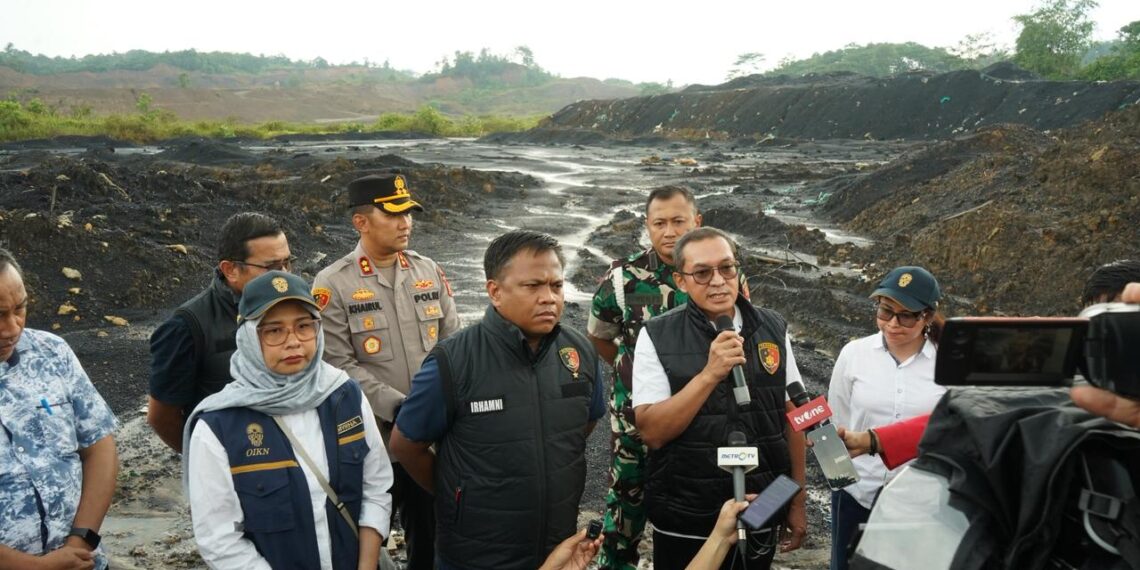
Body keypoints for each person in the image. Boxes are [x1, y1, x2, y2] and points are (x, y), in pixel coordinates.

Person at [389, 230, 606, 570]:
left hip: (556, 551)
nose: (548, 297)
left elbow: (584, 424)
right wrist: (458, 496)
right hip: (475, 555)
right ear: (495, 292)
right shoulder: (454, 361)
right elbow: (406, 444)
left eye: (556, 285)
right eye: (532, 286)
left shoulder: (580, 352)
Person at [184, 271, 393, 570]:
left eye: (304, 326)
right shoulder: (219, 425)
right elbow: (219, 538)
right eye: (274, 331)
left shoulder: (344, 395)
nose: (293, 342)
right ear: (249, 338)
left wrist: (366, 565)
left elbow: (376, 487)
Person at [632, 227, 807, 570]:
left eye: (726, 268)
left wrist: (797, 498)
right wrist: (710, 374)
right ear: (681, 281)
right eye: (702, 272)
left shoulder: (773, 327)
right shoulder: (657, 335)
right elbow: (652, 431)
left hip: (764, 505)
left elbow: (794, 416)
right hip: (687, 513)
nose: (717, 281)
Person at [311, 173, 460, 569]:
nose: (405, 222)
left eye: (408, 213)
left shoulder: (428, 271)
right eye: (393, 213)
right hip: (370, 440)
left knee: (430, 538)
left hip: (428, 441)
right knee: (360, 542)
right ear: (360, 222)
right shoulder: (333, 283)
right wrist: (402, 407)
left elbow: (453, 346)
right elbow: (336, 364)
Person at [587, 185, 703, 569]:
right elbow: (601, 337)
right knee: (624, 507)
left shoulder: (715, 273)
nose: (669, 232)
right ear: (647, 226)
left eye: (678, 221)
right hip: (635, 420)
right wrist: (632, 374)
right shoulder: (624, 279)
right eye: (659, 223)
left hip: (697, 419)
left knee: (697, 508)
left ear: (696, 222)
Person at [0, 248, 119, 570]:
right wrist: (34, 567)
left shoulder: (52, 353)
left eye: (20, 309)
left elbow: (99, 447)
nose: (12, 328)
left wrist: (80, 541)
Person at [826, 265, 945, 570]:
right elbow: (837, 420)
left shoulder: (948, 363)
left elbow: (951, 431)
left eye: (906, 315)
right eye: (885, 311)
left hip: (923, 503)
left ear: (927, 316)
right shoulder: (854, 354)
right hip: (857, 495)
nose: (893, 323)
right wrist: (840, 484)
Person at [148, 212, 292, 452]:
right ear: (231, 269)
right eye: (273, 267)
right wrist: (205, 458)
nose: (285, 276)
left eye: (288, 262)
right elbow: (162, 416)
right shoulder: (187, 326)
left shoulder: (295, 308)